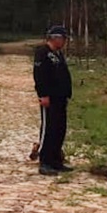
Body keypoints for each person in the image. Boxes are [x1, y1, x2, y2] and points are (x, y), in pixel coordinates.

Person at [33, 25, 73, 176]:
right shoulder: (42, 53)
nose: (64, 42)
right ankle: (45, 160)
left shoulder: (58, 54)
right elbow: (39, 75)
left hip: (61, 97)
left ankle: (56, 159)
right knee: (49, 128)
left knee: (59, 128)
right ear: (55, 38)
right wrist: (43, 94)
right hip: (49, 97)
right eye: (63, 38)